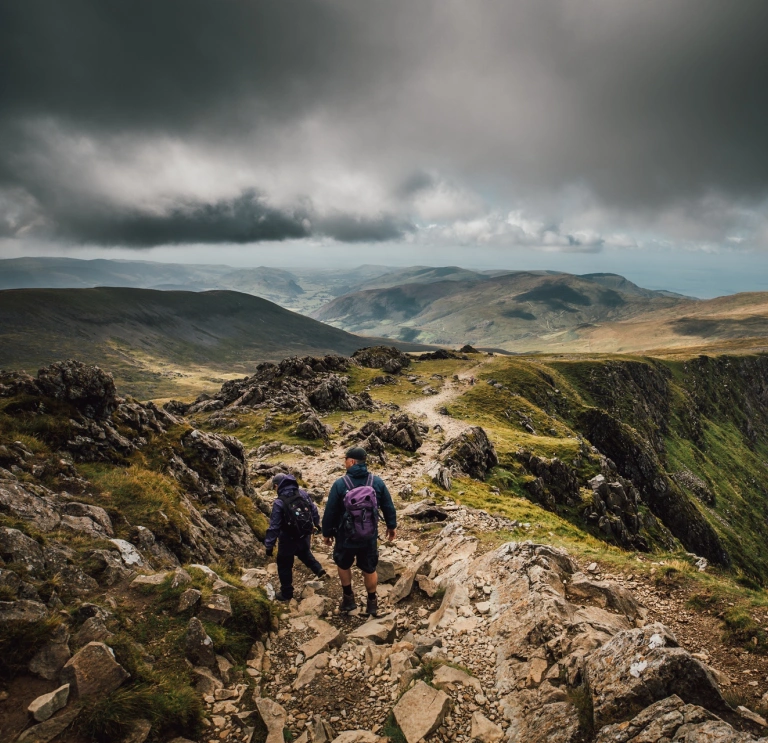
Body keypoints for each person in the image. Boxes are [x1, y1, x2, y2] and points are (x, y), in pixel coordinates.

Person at [321, 446, 397, 617]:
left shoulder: (340, 484)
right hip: (369, 536)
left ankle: (348, 599)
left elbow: (330, 511)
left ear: (352, 461)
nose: (344, 463)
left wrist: (327, 533)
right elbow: (388, 506)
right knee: (369, 568)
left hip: (345, 536)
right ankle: (372, 603)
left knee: (343, 564)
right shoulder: (376, 482)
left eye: (346, 460)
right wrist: (391, 526)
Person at [265, 473, 327, 602]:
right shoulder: (302, 493)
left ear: (277, 486)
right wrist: (316, 524)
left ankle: (287, 593)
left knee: (284, 565)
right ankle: (318, 569)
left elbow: (274, 526)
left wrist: (269, 546)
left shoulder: (279, 502)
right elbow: (313, 509)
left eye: (274, 487)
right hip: (304, 533)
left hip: (287, 538)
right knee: (304, 553)